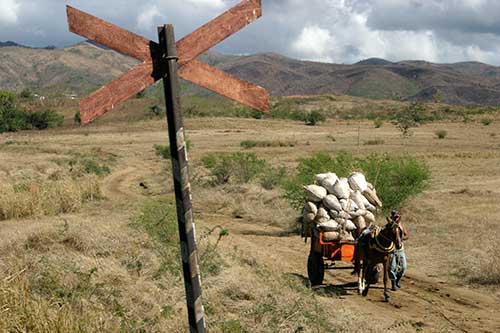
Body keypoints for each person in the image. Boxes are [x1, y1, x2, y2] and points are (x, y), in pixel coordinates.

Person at [389, 210, 408, 291]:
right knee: (392, 267)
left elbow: (406, 235)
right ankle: (393, 284)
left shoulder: (401, 226)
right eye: (395, 217)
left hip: (400, 249)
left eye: (398, 217)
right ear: (392, 218)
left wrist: (401, 238)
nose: (396, 219)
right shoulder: (389, 227)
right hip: (392, 249)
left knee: (403, 267)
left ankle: (397, 280)